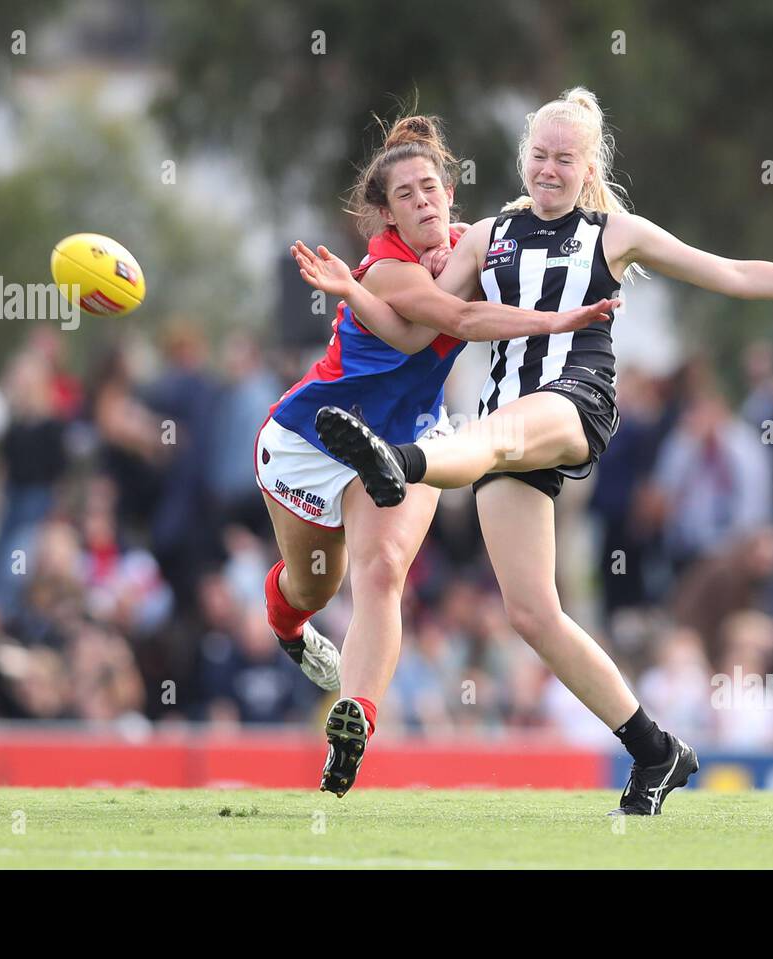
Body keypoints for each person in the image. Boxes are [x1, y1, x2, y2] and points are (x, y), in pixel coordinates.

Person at [298, 86, 773, 815]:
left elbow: (733, 273)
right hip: (498, 428)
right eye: (540, 155)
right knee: (532, 613)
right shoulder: (487, 235)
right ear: (523, 156)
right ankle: (657, 749)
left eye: (566, 158)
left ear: (589, 165)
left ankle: (399, 463)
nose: (550, 169)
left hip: (573, 401)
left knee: (481, 438)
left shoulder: (613, 233)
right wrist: (355, 290)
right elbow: (419, 329)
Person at [262, 114, 616, 797]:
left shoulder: (474, 248)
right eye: (406, 195)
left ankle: (353, 717)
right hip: (312, 436)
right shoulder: (388, 267)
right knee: (313, 587)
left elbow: (539, 256)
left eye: (431, 187)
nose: (423, 201)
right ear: (385, 212)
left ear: (451, 191)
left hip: (404, 443)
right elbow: (448, 326)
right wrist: (557, 322)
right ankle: (284, 618)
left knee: (385, 570)